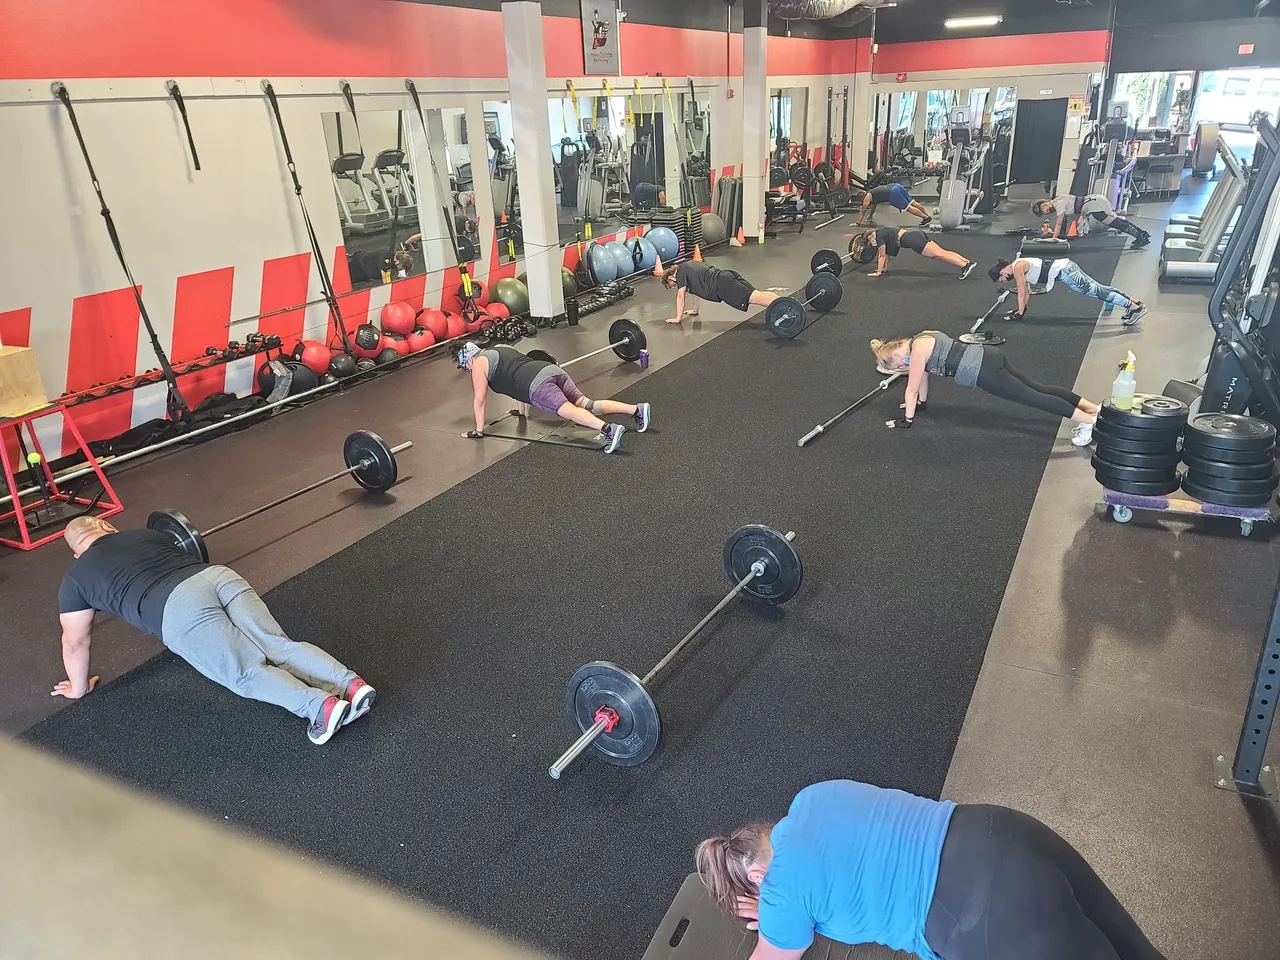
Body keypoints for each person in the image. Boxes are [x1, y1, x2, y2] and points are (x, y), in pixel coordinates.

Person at [696, 779, 1167, 960]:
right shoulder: (811, 797)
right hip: (1002, 831)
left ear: (756, 880)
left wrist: (775, 923)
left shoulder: (780, 899)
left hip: (980, 913)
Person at [54, 517, 374, 745]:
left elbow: (75, 641)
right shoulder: (145, 535)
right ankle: (349, 685)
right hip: (218, 577)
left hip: (178, 608)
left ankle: (319, 708)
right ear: (107, 526)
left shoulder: (75, 580)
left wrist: (79, 687)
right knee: (276, 644)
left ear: (76, 553)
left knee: (246, 672)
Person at [869, 331, 1100, 446]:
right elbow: (922, 381)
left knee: (1032, 397)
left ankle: (1091, 422)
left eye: (897, 365)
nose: (901, 367)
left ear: (895, 355)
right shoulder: (922, 337)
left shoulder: (917, 353)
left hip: (982, 371)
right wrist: (921, 404)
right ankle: (1094, 409)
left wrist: (906, 420)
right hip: (988, 355)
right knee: (1037, 388)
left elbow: (911, 387)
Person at [454, 342, 650, 454]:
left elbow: (480, 399)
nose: (468, 370)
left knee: (568, 411)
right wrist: (520, 412)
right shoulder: (499, 348)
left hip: (537, 385)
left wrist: (479, 431)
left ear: (468, 359)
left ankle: (609, 430)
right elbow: (514, 375)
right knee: (586, 404)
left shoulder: (479, 363)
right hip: (550, 370)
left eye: (465, 367)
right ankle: (636, 410)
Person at [990, 257, 1147, 326]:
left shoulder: (1017, 268)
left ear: (1001, 272)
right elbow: (1028, 292)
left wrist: (1019, 314)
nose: (1004, 280)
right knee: (1100, 288)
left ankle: (1136, 308)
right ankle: (1135, 304)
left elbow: (1022, 292)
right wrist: (1021, 310)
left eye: (1002, 279)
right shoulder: (1019, 264)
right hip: (1066, 267)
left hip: (1066, 272)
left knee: (1097, 292)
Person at [661, 260, 778, 324]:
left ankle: (782, 306)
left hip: (722, 284)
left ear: (671, 278)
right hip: (726, 275)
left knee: (752, 298)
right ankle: (782, 302)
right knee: (756, 293)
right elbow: (695, 291)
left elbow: (680, 297)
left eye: (670, 285)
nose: (673, 287)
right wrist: (695, 310)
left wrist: (678, 318)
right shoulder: (688, 265)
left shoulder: (680, 273)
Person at [850, 227, 977, 280]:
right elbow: (886, 255)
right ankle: (966, 261)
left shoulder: (879, 236)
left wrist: (877, 272)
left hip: (912, 240)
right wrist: (884, 269)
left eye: (870, 241)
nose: (872, 243)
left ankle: (964, 266)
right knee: (941, 251)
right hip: (915, 234)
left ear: (871, 236)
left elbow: (882, 255)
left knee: (939, 255)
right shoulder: (882, 231)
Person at [1032, 195, 1151, 249]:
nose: (1047, 213)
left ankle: (1141, 236)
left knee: (1115, 223)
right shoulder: (1058, 199)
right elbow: (1062, 222)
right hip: (1096, 199)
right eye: (1045, 213)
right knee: (1117, 221)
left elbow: (1058, 223)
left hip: (1094, 205)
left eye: (1046, 210)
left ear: (1046, 204)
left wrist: (1054, 239)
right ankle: (1142, 234)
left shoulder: (1059, 204)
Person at [856, 182, 932, 226]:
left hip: (893, 193)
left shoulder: (867, 197)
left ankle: (925, 218)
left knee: (908, 208)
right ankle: (927, 216)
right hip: (897, 186)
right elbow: (874, 205)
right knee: (913, 203)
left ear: (862, 198)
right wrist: (870, 216)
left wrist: (858, 223)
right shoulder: (871, 193)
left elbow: (863, 210)